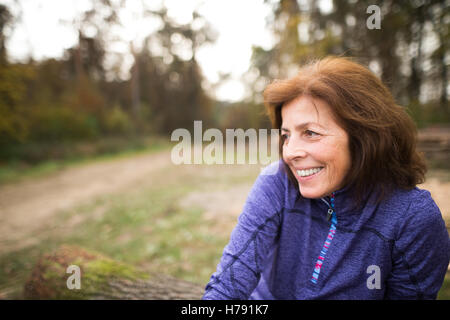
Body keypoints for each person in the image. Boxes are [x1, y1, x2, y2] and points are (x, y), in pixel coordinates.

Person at [202, 56, 450, 300]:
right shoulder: (276, 182)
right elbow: (227, 286)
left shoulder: (414, 220)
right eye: (286, 135)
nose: (289, 153)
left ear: (365, 137)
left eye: (310, 133)